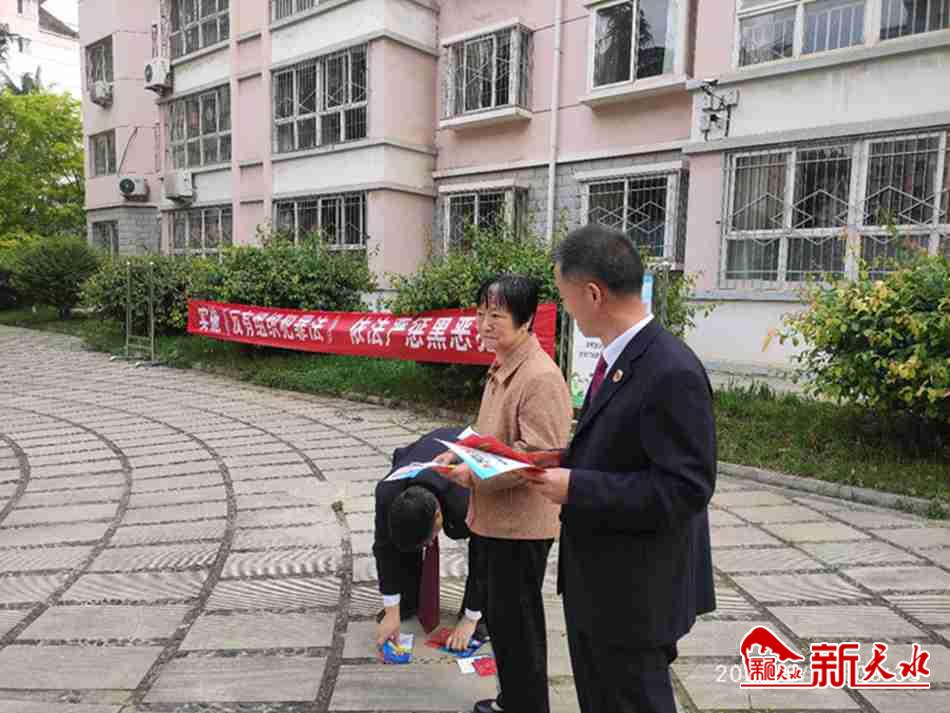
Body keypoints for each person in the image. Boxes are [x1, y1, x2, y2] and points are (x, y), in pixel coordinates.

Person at [524, 224, 716, 713]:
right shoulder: (622, 358)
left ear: (593, 294)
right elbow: (623, 449)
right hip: (599, 587)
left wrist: (578, 486)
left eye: (565, 296)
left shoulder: (670, 369)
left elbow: (685, 489)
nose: (565, 307)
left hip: (634, 597)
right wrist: (560, 460)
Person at [436, 275, 573, 713]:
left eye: (497, 315)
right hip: (493, 519)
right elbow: (490, 437)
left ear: (527, 319)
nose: (485, 324)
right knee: (502, 621)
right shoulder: (503, 365)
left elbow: (538, 457)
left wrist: (472, 476)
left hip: (521, 526)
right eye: (481, 314)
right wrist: (461, 455)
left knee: (519, 627)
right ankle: (512, 699)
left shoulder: (539, 377)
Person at [373, 426, 487, 651]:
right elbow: (384, 548)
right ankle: (409, 600)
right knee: (404, 542)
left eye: (429, 539)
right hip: (423, 453)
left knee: (495, 556)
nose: (428, 545)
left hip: (470, 455)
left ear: (438, 515)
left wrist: (471, 617)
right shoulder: (387, 492)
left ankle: (482, 614)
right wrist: (392, 609)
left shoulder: (467, 499)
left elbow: (484, 554)